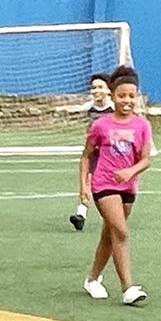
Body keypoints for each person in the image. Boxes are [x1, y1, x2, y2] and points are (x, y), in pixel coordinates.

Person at [80, 65, 153, 306]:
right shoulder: (101, 125)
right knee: (120, 232)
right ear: (113, 95)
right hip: (104, 185)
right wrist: (83, 186)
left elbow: (145, 160)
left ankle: (92, 279)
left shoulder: (142, 125)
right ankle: (128, 287)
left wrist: (130, 172)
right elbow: (86, 156)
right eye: (122, 95)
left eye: (132, 96)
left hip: (128, 188)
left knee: (109, 236)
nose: (127, 100)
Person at [71, 72, 112, 230]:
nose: (96, 90)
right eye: (93, 87)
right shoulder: (90, 108)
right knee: (87, 181)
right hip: (94, 152)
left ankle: (114, 213)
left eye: (100, 87)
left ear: (109, 90)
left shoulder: (114, 108)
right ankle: (80, 214)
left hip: (111, 155)